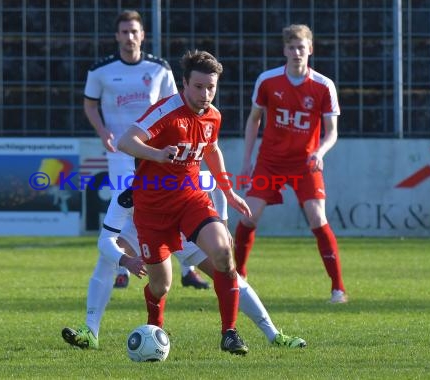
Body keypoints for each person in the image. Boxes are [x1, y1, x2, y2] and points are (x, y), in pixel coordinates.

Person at [62, 175, 308, 350]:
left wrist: (221, 225)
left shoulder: (185, 177)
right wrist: (127, 260)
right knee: (142, 277)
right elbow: (105, 240)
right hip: (143, 229)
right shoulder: (128, 190)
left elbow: (217, 185)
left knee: (227, 272)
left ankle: (273, 335)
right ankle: (90, 332)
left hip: (185, 228)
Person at [117, 50, 252, 355]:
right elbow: (125, 141)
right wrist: (156, 153)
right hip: (152, 210)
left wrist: (228, 192)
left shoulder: (213, 115)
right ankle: (155, 329)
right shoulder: (166, 112)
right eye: (199, 87)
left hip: (191, 199)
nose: (206, 94)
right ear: (184, 84)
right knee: (161, 286)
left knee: (222, 254)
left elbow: (212, 150)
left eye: (211, 87)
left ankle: (229, 332)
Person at [83, 9, 209, 290]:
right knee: (124, 204)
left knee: (176, 202)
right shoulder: (101, 71)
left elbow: (178, 106)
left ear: (143, 35)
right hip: (121, 152)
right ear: (117, 36)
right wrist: (103, 131)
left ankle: (189, 269)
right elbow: (89, 105)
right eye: (124, 32)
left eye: (134, 31)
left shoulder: (159, 68)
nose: (130, 37)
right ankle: (123, 268)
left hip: (159, 155)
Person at [233, 24, 348, 304]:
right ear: (284, 50)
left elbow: (332, 130)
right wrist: (247, 161)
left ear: (310, 49)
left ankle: (338, 289)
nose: (297, 52)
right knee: (248, 216)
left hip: (305, 164)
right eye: (291, 47)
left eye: (302, 47)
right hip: (270, 161)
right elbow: (254, 120)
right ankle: (238, 277)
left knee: (318, 219)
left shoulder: (323, 85)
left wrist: (320, 151)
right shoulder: (268, 81)